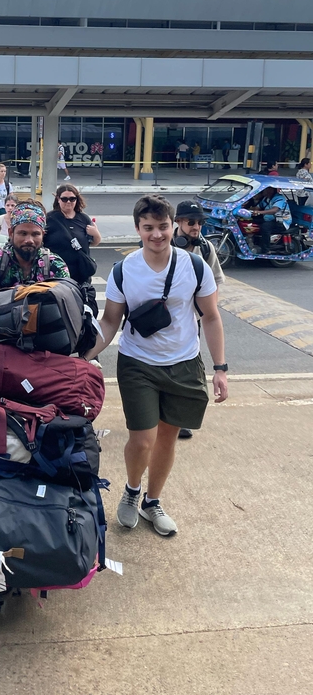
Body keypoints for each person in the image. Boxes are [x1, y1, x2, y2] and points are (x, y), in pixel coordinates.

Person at [86, 195, 228, 538]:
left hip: (184, 362)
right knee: (142, 438)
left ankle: (153, 501)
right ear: (138, 229)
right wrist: (83, 356)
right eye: (148, 228)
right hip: (138, 363)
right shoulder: (124, 270)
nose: (157, 235)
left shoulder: (195, 267)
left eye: (163, 226)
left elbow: (210, 317)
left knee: (168, 437)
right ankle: (132, 489)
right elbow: (109, 323)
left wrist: (220, 368)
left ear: (173, 225)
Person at [173, 199, 225, 440]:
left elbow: (215, 282)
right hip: (163, 318)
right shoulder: (163, 241)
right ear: (179, 222)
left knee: (187, 369)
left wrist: (206, 311)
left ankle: (181, 420)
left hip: (192, 319)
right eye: (191, 222)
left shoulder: (205, 249)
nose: (196, 227)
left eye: (200, 223)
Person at [0, 200, 69, 296]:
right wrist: (7, 298)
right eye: (23, 233)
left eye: (35, 234)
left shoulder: (55, 263)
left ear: (43, 235)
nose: (29, 240)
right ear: (11, 233)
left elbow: (66, 293)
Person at [44, 183, 102, 284]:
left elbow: (93, 242)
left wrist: (96, 234)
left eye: (72, 199)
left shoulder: (83, 218)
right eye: (64, 199)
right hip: (58, 274)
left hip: (81, 274)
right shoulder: (50, 218)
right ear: (58, 199)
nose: (68, 202)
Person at [250, 185, 292, 252]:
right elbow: (257, 207)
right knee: (252, 223)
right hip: (270, 220)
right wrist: (246, 210)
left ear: (271, 190)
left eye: (265, 189)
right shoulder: (267, 198)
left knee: (265, 227)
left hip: (281, 222)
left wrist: (259, 212)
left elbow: (274, 210)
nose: (263, 191)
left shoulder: (279, 198)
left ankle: (266, 250)